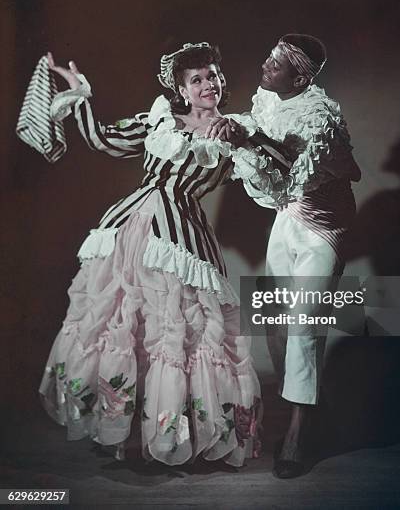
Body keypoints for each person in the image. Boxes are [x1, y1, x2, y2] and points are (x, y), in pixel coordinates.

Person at [39, 42, 266, 468]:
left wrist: (247, 139)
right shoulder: (160, 119)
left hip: (182, 238)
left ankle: (174, 432)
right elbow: (103, 140)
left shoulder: (234, 131)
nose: (208, 85)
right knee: (127, 323)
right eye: (196, 79)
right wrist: (80, 94)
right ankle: (122, 431)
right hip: (132, 230)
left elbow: (271, 175)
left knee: (179, 329)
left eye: (213, 76)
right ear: (181, 87)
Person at [208, 34, 361, 478]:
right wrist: (241, 134)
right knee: (275, 323)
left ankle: (297, 433)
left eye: (275, 64)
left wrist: (250, 137)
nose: (264, 66)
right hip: (288, 216)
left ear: (299, 76)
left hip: (323, 225)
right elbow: (268, 163)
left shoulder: (320, 114)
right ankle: (309, 410)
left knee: (304, 324)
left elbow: (295, 168)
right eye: (268, 58)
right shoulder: (268, 99)